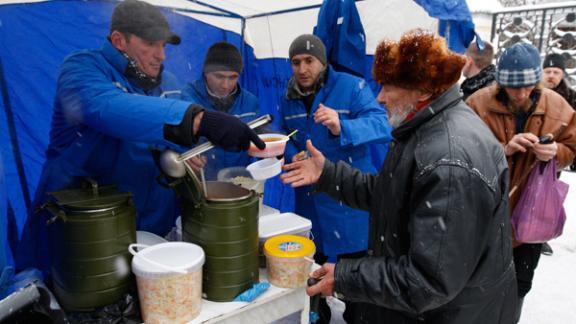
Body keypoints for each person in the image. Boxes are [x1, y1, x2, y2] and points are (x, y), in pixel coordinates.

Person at [281, 30, 517, 324]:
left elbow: (429, 281)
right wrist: (328, 174)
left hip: (451, 315)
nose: (379, 97)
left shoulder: (449, 162)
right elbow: (388, 192)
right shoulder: (422, 127)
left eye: (388, 86)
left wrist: (346, 277)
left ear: (423, 89)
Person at [15, 0, 265, 274]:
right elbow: (108, 108)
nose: (162, 55)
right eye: (151, 44)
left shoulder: (167, 83)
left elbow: (168, 135)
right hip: (85, 232)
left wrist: (183, 155)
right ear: (119, 40)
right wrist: (198, 119)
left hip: (152, 230)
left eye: (164, 46)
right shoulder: (82, 69)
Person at [279, 34, 392, 322]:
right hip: (310, 203)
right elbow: (286, 134)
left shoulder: (351, 87)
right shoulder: (289, 97)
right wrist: (292, 153)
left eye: (309, 61)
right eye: (296, 62)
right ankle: (319, 314)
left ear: (323, 61)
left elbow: (383, 125)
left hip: (349, 202)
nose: (302, 69)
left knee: (355, 277)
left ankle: (359, 316)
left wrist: (343, 126)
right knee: (314, 271)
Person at [466, 42, 576, 323]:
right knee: (477, 282)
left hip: (531, 215)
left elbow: (571, 147)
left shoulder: (557, 105)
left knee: (519, 283)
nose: (522, 93)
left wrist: (556, 153)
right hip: (485, 210)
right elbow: (460, 149)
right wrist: (503, 148)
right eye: (515, 87)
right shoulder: (477, 103)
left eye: (528, 86)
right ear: (501, 82)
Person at [181, 42, 261, 179]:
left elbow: (256, 140)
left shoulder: (250, 102)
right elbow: (175, 140)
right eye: (219, 76)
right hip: (201, 183)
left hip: (239, 181)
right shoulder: (186, 98)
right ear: (206, 73)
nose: (225, 85)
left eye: (233, 77)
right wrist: (186, 154)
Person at [542, 53, 576, 176]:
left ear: (562, 74)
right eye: (548, 71)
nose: (551, 75)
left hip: (554, 161)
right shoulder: (530, 93)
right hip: (526, 157)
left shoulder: (572, 98)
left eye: (556, 72)